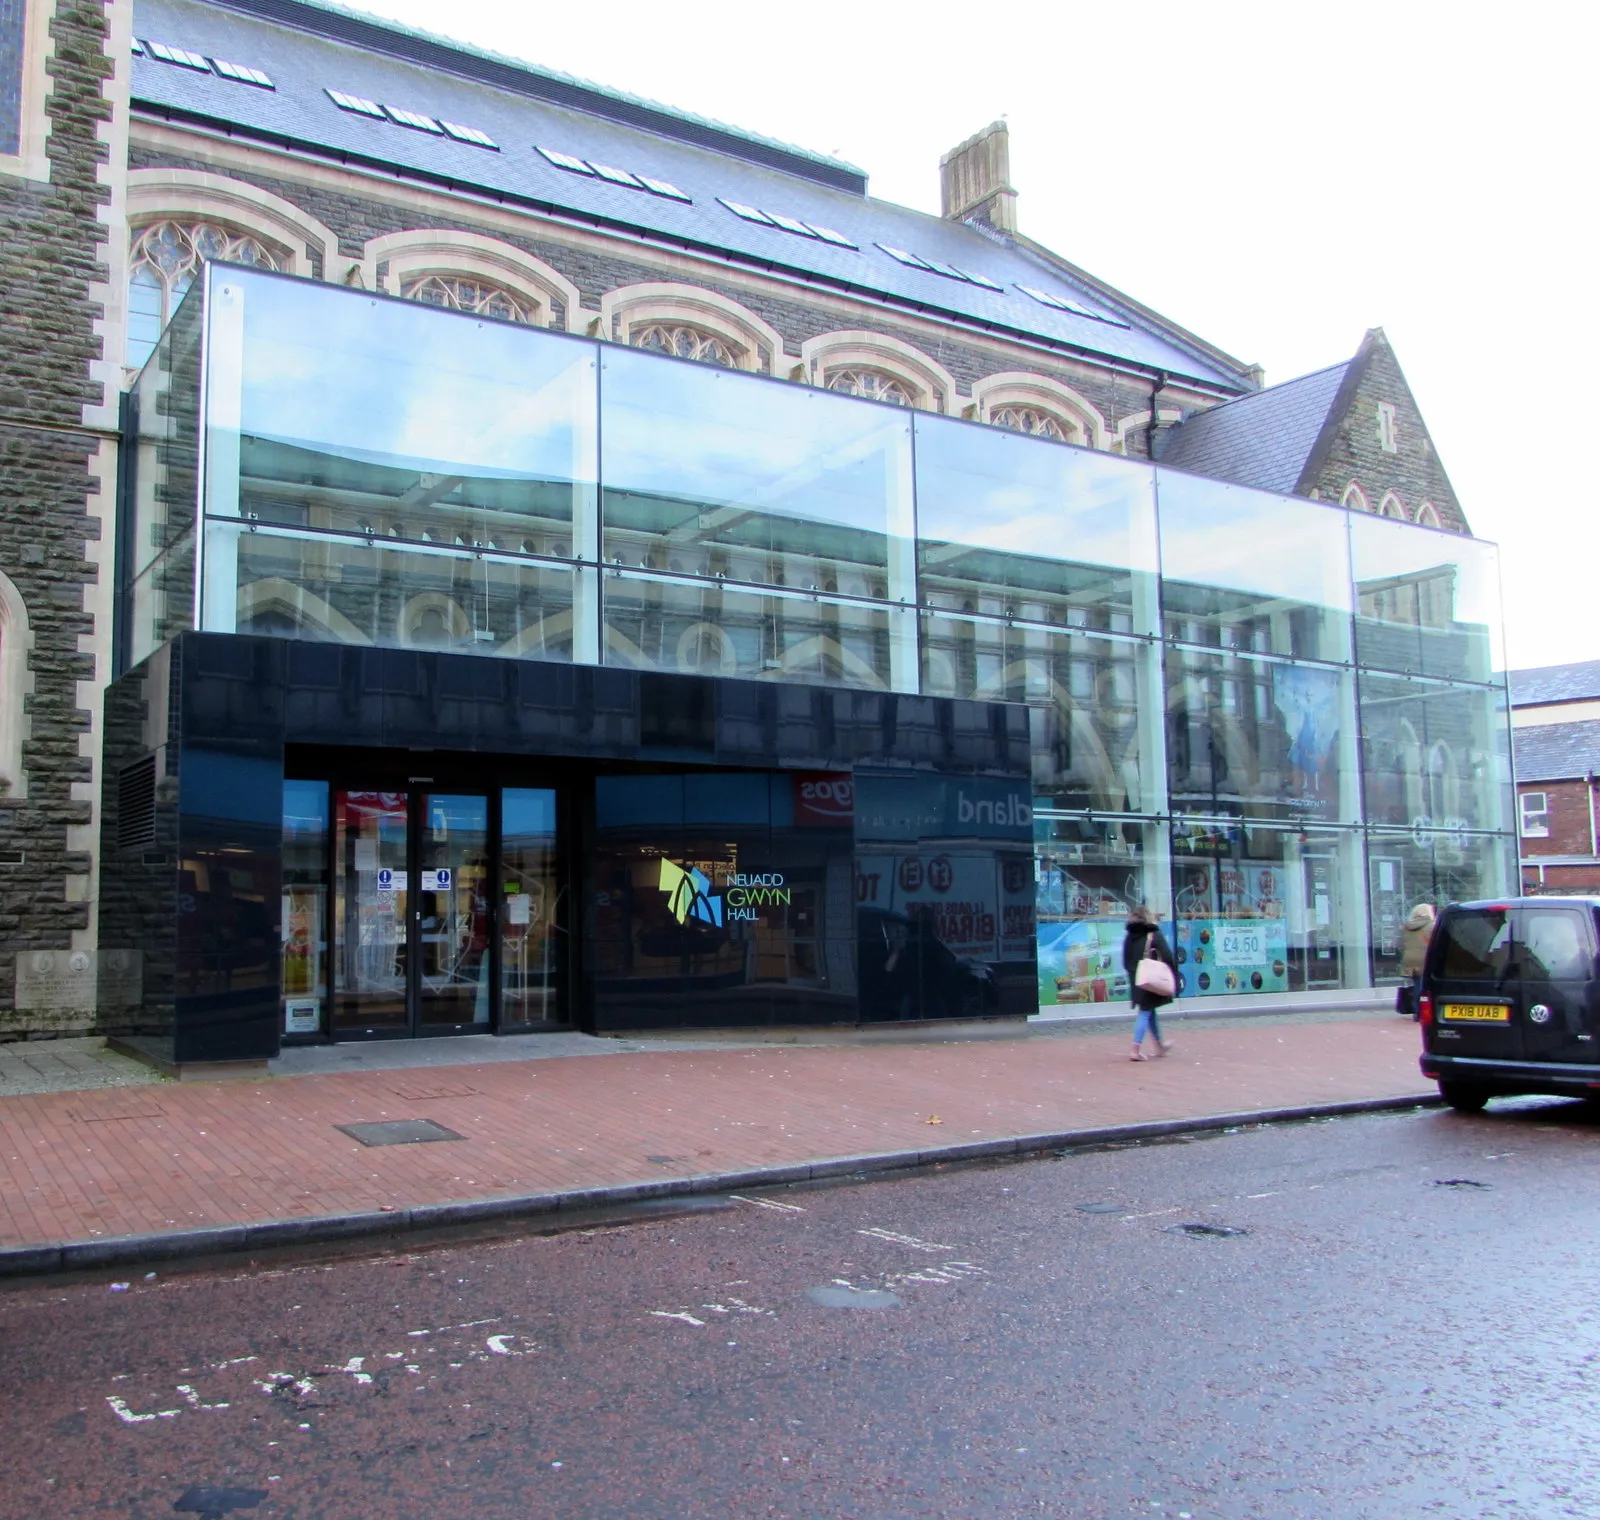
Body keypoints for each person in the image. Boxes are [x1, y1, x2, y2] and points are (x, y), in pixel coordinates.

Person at [1123, 905, 1176, 1061]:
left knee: (1149, 1009)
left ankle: (1159, 1045)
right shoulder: (1153, 934)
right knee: (1145, 1011)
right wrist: (1171, 973)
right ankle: (1135, 1048)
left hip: (1136, 978)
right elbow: (1167, 955)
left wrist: (1133, 974)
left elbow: (1125, 960)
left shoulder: (1129, 935)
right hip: (1150, 978)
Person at [1399, 902, 1436, 1019]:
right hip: (1424, 958)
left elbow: (1400, 945)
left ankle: (1416, 1010)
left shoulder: (1406, 927)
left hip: (1409, 959)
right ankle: (1421, 1012)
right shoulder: (1432, 925)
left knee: (1417, 984)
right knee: (1424, 986)